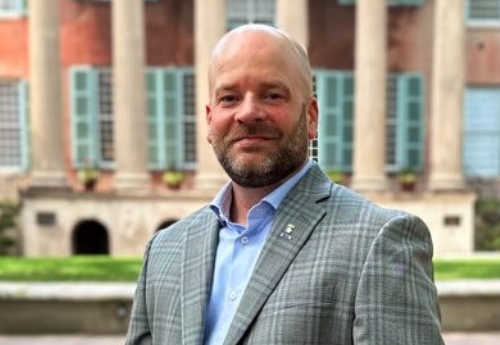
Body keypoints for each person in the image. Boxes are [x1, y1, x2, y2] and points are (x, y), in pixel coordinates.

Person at [126, 24, 444, 345]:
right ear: (210, 120)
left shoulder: (379, 242)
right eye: (230, 98)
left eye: (272, 95)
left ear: (312, 116)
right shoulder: (164, 250)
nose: (248, 112)